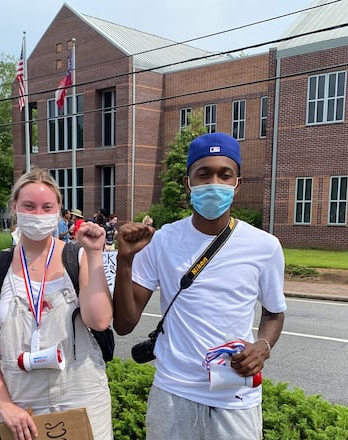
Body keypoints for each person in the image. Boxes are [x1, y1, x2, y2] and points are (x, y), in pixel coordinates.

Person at [113, 133, 286, 439]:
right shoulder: (162, 241)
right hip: (173, 394)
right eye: (204, 174)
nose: (214, 183)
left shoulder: (265, 246)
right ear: (188, 183)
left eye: (224, 174)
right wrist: (125, 262)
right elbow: (124, 325)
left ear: (237, 183)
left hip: (235, 397)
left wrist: (263, 346)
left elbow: (273, 313)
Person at [0, 168, 113, 440]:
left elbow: (100, 321)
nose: (38, 214)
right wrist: (4, 404)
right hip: (18, 398)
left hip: (81, 392)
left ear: (59, 210)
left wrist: (95, 253)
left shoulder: (77, 259)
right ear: (14, 207)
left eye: (47, 207)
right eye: (29, 206)